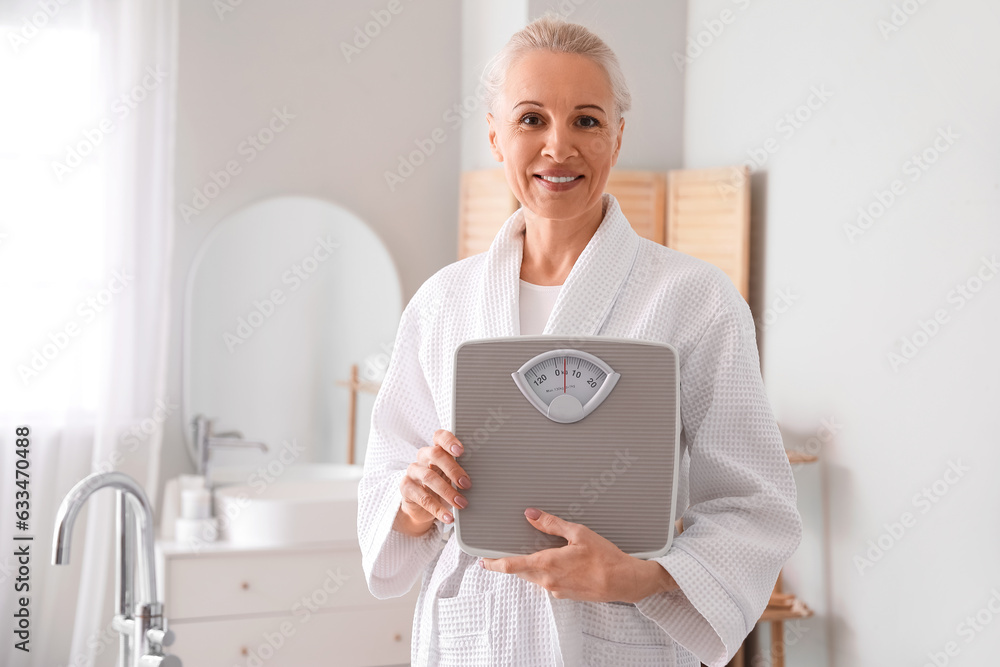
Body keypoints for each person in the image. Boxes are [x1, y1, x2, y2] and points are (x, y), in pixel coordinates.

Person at [357, 13, 802, 667]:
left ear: (617, 138)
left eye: (587, 120)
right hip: (472, 639)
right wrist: (414, 498)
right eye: (531, 119)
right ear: (495, 135)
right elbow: (387, 481)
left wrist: (641, 578)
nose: (558, 146)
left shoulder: (696, 301)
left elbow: (753, 503)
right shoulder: (440, 304)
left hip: (622, 640)